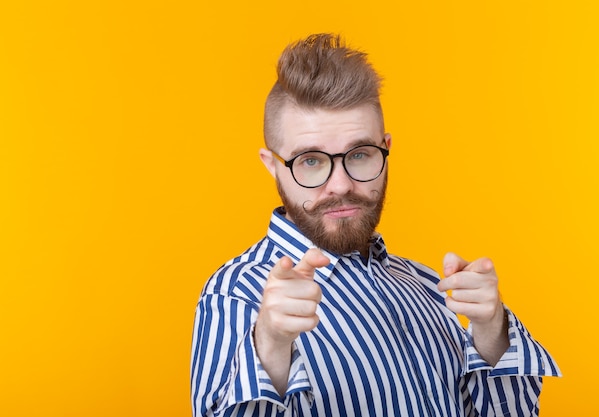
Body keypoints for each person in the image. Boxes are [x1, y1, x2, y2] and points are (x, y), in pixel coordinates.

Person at [190, 33, 560, 417]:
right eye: (312, 161)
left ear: (386, 148)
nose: (341, 185)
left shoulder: (426, 285)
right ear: (272, 165)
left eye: (360, 154)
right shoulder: (235, 295)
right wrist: (269, 347)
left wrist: (491, 332)